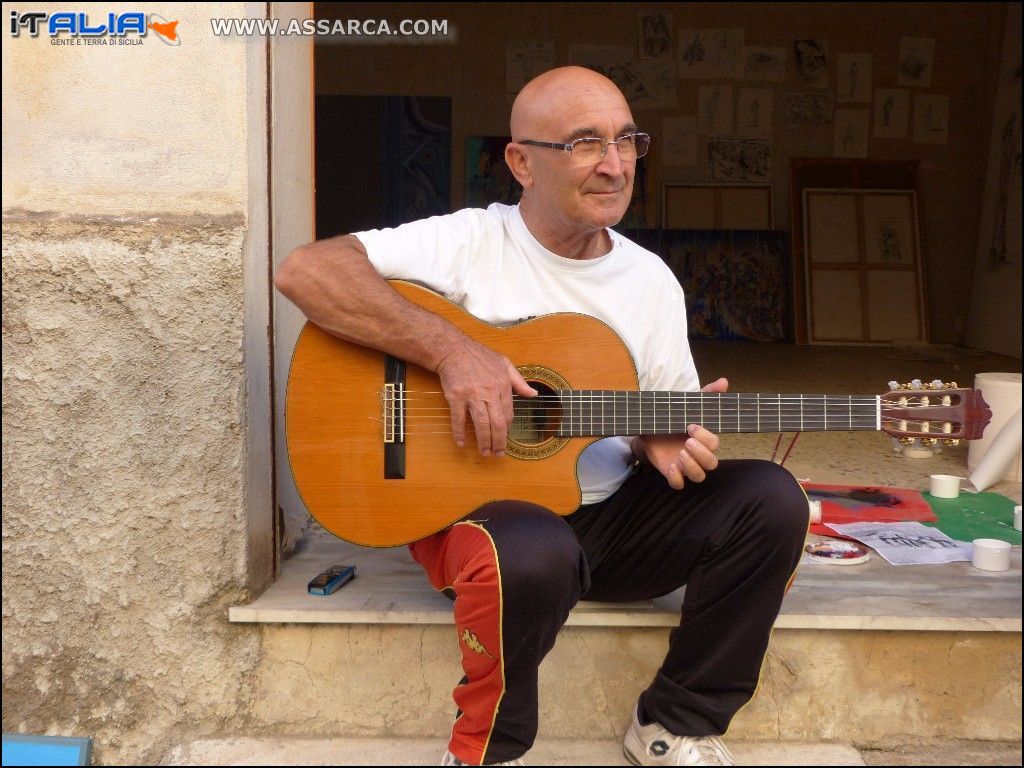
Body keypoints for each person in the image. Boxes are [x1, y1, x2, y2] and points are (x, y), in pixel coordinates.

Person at [275, 66, 808, 767]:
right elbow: (307, 271)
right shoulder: (467, 241)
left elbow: (666, 421)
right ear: (522, 162)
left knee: (773, 500)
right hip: (480, 522)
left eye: (627, 141)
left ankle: (675, 724)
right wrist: (451, 352)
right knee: (529, 550)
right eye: (586, 143)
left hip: (606, 522)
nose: (615, 166)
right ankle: (486, 752)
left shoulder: (648, 279)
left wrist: (663, 442)